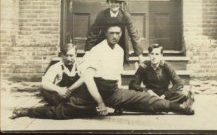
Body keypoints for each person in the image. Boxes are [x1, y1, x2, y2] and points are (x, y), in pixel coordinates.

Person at [10, 24, 194, 120]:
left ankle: (181, 108)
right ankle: (27, 111)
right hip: (90, 94)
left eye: (118, 33)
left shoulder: (121, 51)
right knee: (62, 112)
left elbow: (116, 76)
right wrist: (100, 103)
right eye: (112, 33)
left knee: (145, 100)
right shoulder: (96, 50)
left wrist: (119, 101)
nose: (116, 36)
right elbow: (88, 79)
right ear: (106, 34)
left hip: (112, 91)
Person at [85, 0, 144, 65]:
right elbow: (93, 32)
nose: (114, 4)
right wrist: (88, 51)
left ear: (120, 4)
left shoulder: (125, 16)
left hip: (120, 42)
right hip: (104, 42)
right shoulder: (102, 15)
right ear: (108, 3)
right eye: (111, 2)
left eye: (117, 2)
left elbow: (133, 34)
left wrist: (140, 55)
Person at [129, 44, 193, 104]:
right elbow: (132, 84)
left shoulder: (166, 66)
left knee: (183, 94)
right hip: (149, 96)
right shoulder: (144, 66)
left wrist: (164, 95)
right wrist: (147, 90)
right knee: (135, 96)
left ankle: (159, 103)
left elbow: (179, 83)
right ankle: (164, 104)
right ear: (148, 54)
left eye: (157, 54)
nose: (154, 57)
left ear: (161, 55)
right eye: (152, 54)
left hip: (165, 95)